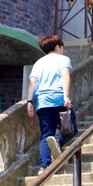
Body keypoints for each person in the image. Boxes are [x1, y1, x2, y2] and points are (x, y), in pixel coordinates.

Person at [26, 34, 72, 174]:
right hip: (59, 100)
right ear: (58, 46)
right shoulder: (63, 59)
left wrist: (29, 102)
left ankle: (43, 167)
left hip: (42, 102)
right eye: (62, 46)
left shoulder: (38, 63)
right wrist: (67, 96)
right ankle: (57, 141)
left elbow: (32, 83)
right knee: (70, 129)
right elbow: (66, 76)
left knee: (46, 134)